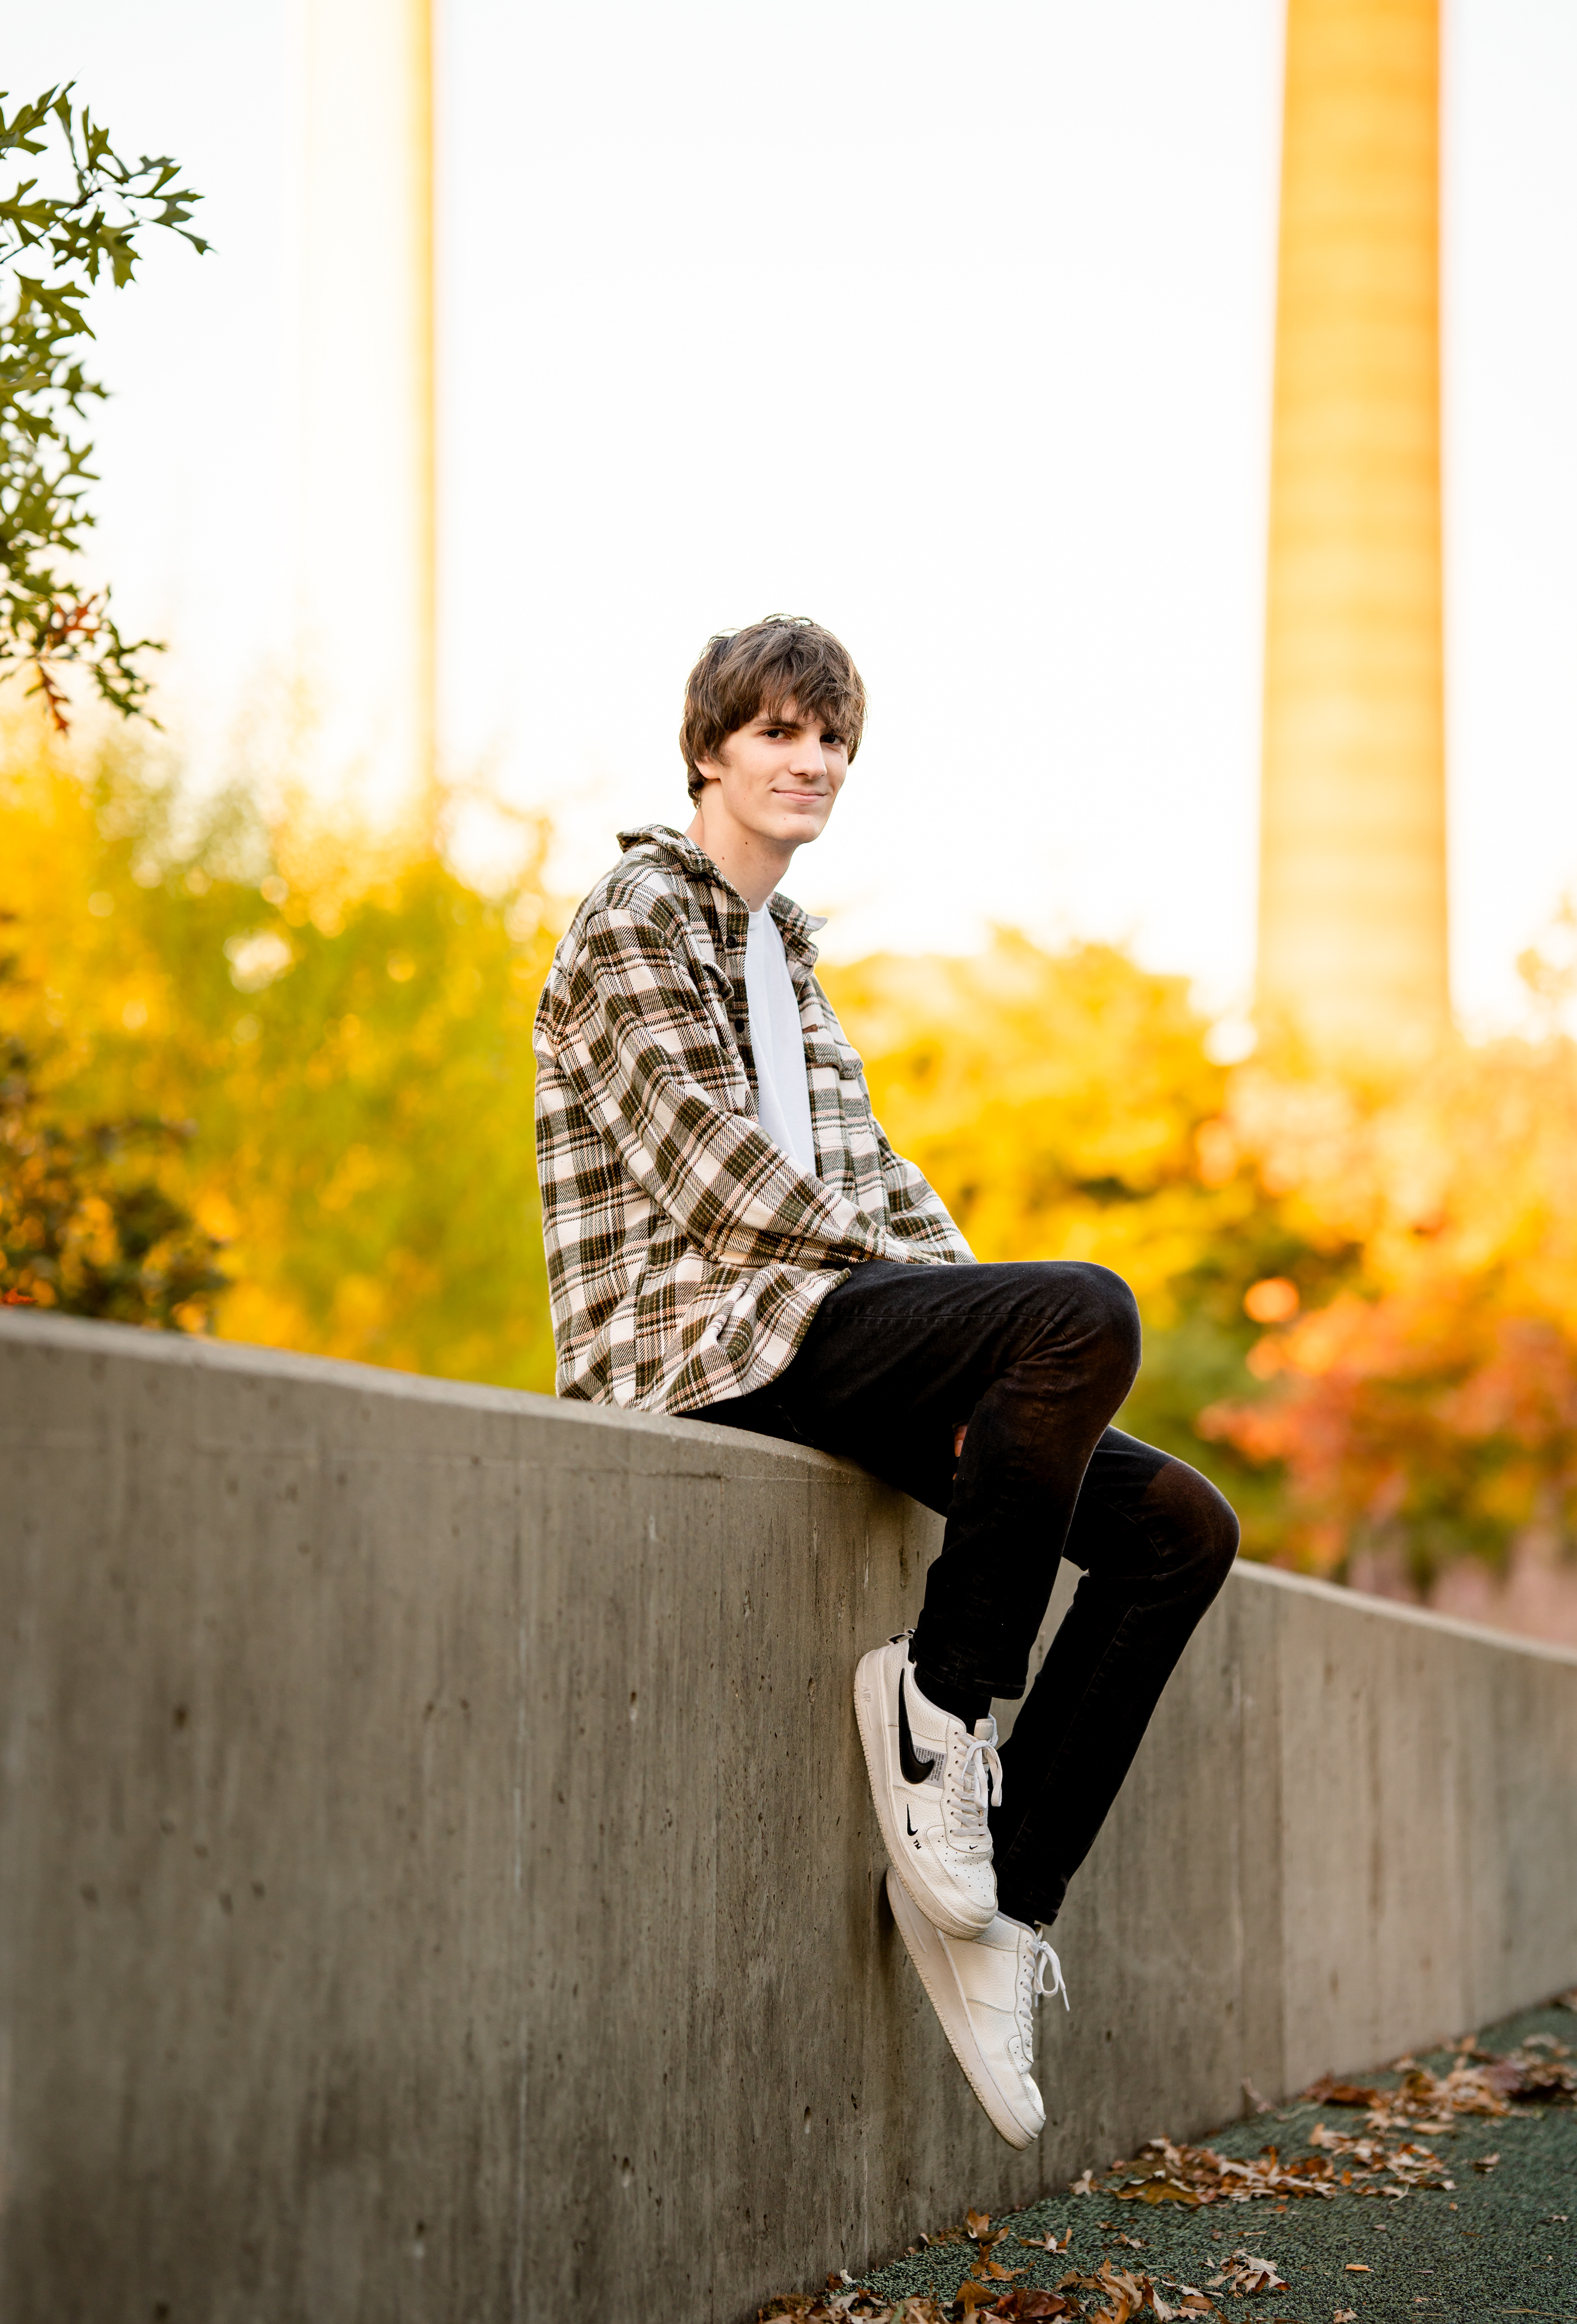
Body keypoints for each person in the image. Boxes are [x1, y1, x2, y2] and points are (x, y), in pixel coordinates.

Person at [533, 614, 1238, 2147]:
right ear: (711, 749)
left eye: (833, 737)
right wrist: (985, 1325)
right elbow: (716, 1183)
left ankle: (997, 1915)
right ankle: (937, 1707)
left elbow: (883, 1182)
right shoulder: (634, 916)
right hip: (698, 1343)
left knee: (1180, 1527)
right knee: (1081, 1310)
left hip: (818, 1331)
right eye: (780, 731)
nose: (813, 761)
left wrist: (995, 1342)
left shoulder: (784, 952)